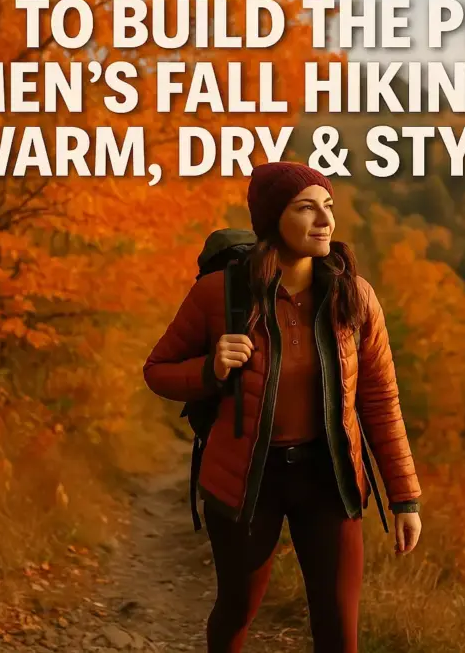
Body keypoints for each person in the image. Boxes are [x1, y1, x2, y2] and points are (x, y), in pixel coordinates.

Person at [142, 161, 423, 653]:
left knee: (339, 628)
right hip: (247, 478)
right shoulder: (220, 293)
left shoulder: (353, 297)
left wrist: (405, 498)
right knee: (236, 610)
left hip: (329, 475)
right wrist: (211, 369)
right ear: (274, 219)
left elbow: (381, 400)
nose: (324, 221)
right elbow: (158, 371)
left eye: (328, 207)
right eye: (306, 208)